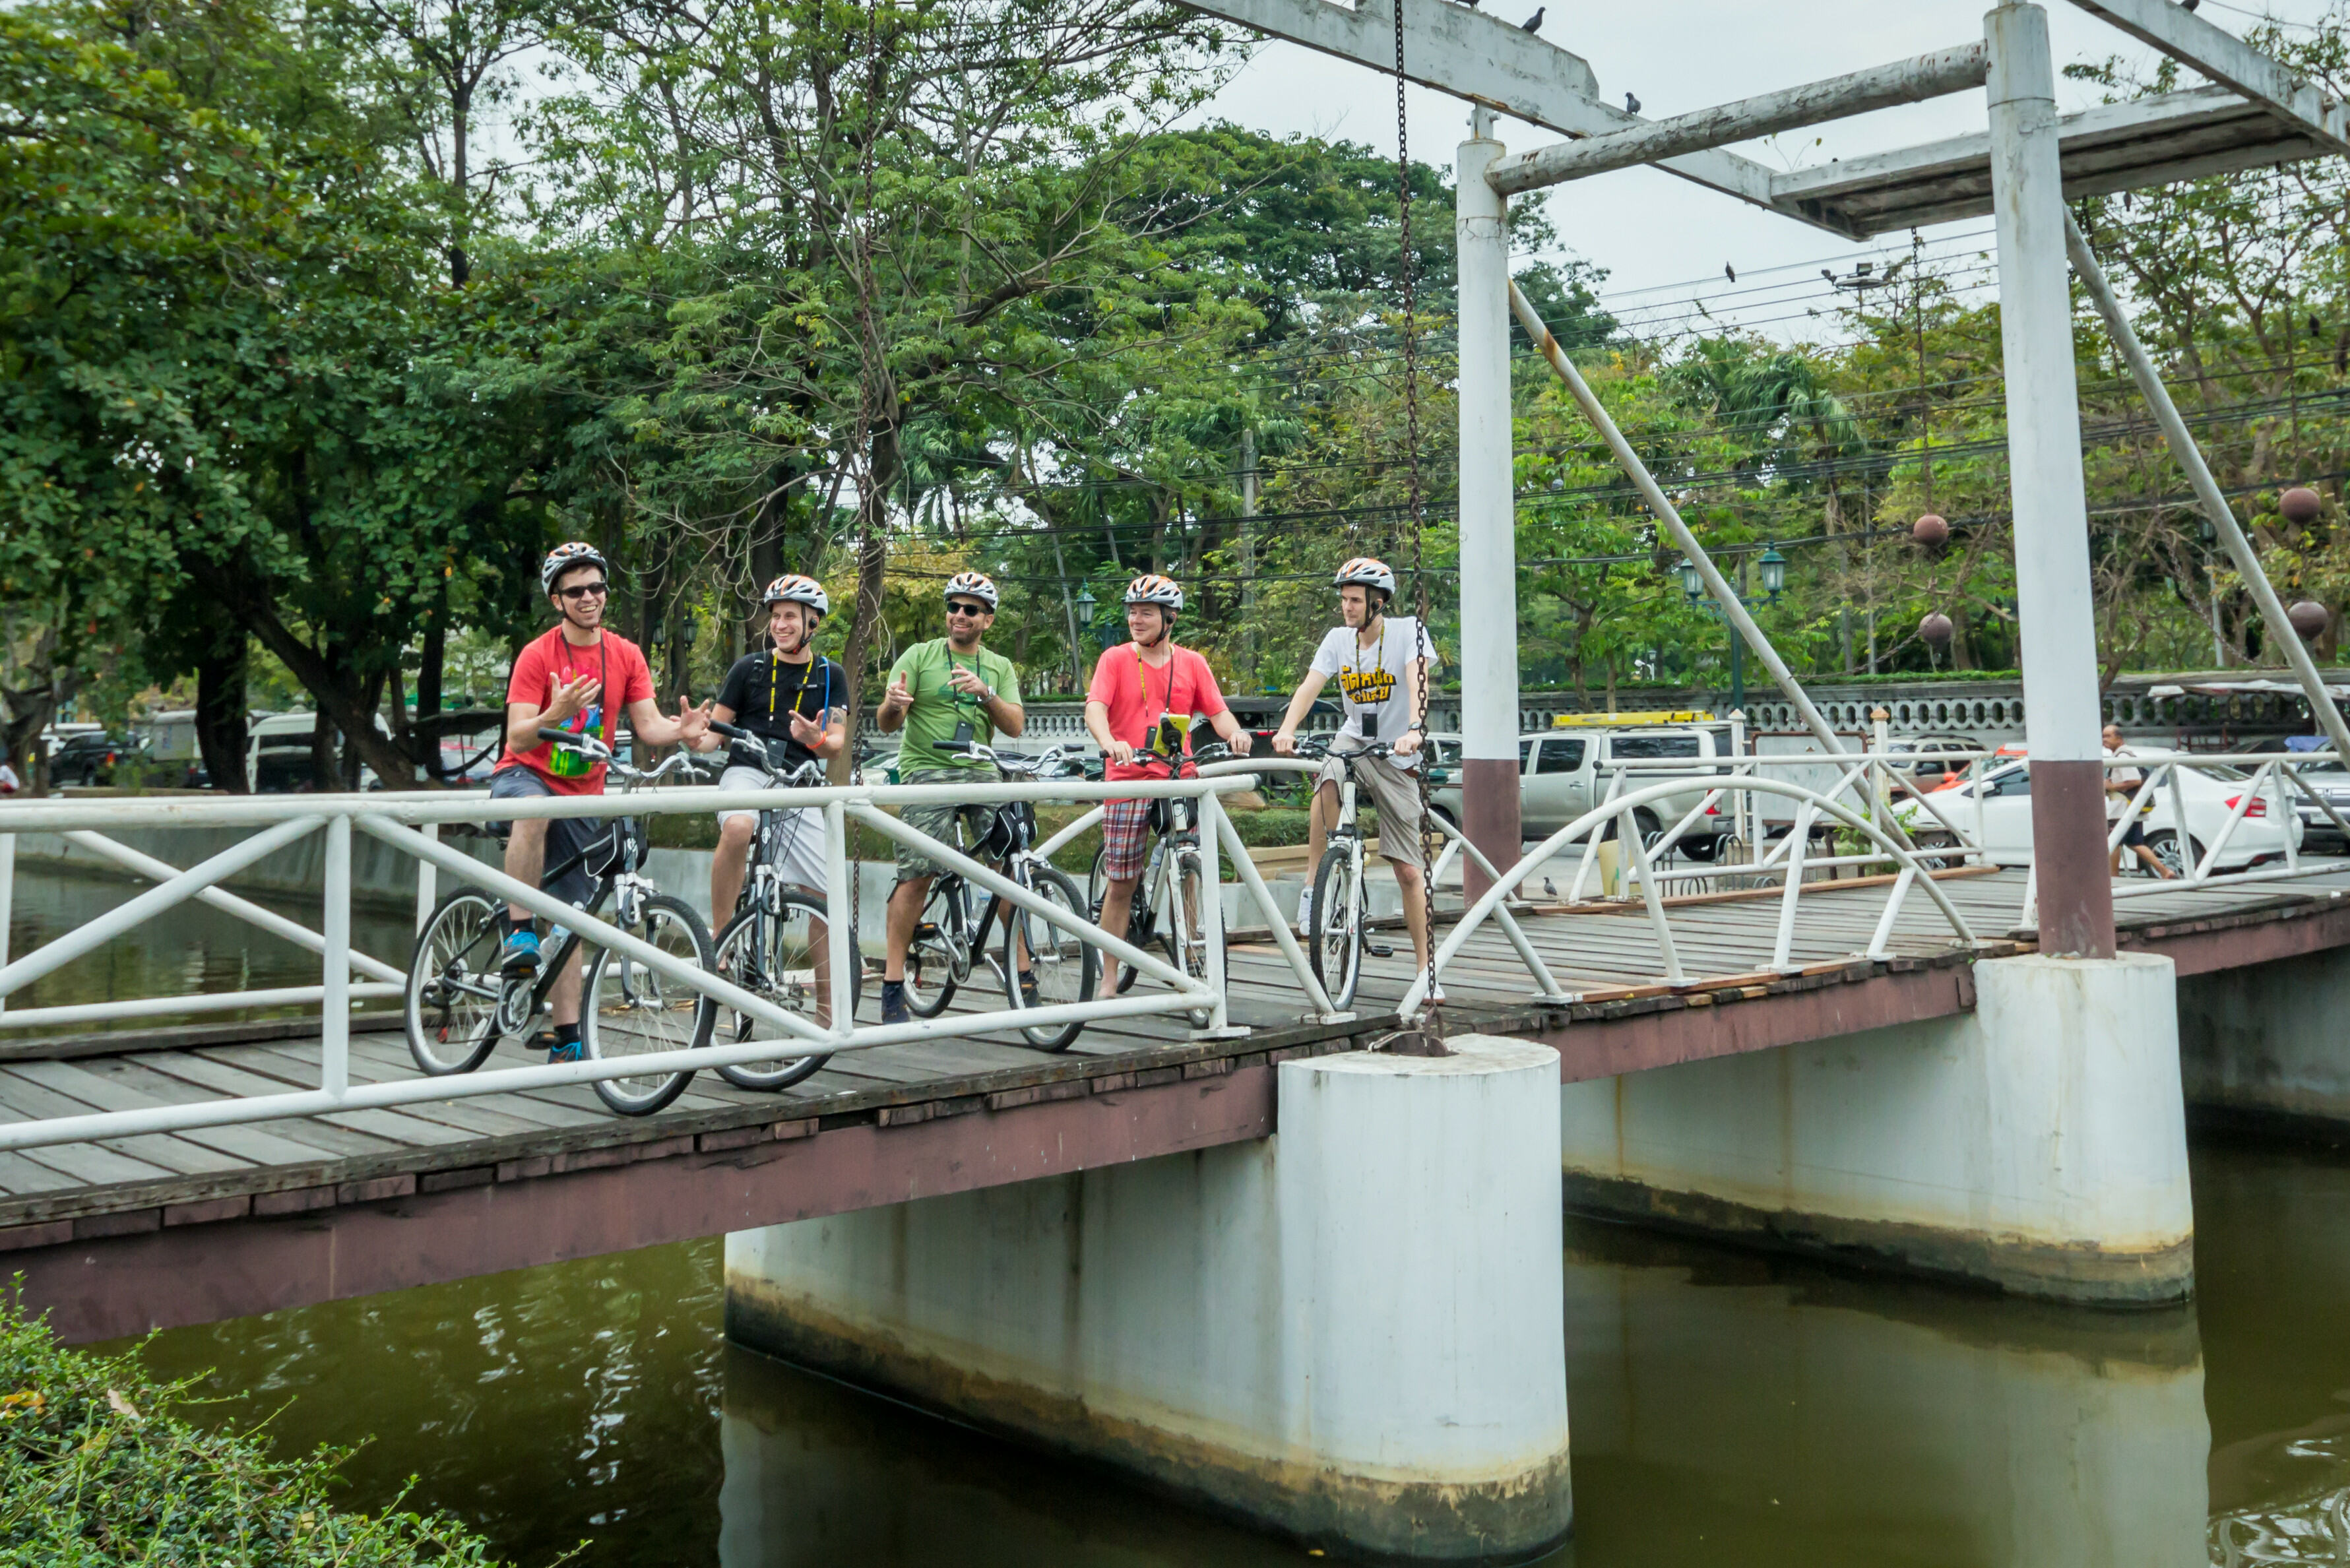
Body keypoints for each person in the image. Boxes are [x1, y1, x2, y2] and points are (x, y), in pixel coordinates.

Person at [491, 542, 711, 1061]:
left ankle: (567, 1039)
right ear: (556, 600)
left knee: (573, 919)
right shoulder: (537, 654)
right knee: (534, 810)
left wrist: (682, 730)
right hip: (525, 776)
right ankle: (519, 929)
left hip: (584, 793)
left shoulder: (625, 654)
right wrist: (558, 710)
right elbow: (518, 738)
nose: (589, 597)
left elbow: (648, 725)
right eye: (576, 590)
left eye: (596, 587)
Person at [1270, 556, 1442, 993]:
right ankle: (1316, 883)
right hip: (1354, 742)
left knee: (1408, 871)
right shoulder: (1337, 639)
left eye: (1354, 600)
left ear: (1378, 601)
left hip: (1397, 755)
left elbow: (1416, 679)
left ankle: (1426, 973)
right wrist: (1287, 729)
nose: (1346, 607)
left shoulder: (1408, 632)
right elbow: (1310, 686)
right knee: (1327, 767)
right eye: (1343, 599)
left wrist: (1415, 730)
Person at [689, 575, 849, 1019]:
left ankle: (828, 1014)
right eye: (775, 615)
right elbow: (712, 737)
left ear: (812, 622)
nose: (780, 624)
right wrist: (691, 734)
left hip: (798, 782)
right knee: (739, 825)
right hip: (746, 771)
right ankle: (721, 938)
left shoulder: (830, 676)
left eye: (790, 617)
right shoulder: (749, 669)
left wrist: (817, 738)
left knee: (824, 894)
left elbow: (836, 741)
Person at [1083, 575, 1251, 994]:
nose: (1135, 620)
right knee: (1122, 881)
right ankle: (1108, 975)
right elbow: (1095, 710)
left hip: (1179, 778)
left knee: (1190, 871)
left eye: (1146, 613)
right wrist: (1109, 743)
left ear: (1169, 618)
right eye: (1132, 611)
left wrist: (1236, 734)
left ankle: (1192, 962)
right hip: (1127, 781)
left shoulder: (1192, 662)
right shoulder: (1116, 659)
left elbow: (1218, 712)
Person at [875, 571, 1025, 1025]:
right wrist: (896, 704)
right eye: (954, 607)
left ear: (988, 621)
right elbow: (885, 723)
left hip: (980, 771)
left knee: (1008, 865)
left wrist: (987, 694)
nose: (960, 615)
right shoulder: (920, 655)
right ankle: (893, 980)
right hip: (927, 771)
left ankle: (1023, 966)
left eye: (971, 609)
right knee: (918, 873)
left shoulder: (998, 665)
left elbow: (1016, 726)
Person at [2104, 722, 2176, 879]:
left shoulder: (2122, 757)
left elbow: (2135, 780)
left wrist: (2111, 785)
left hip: (2121, 809)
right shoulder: (2123, 755)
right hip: (2131, 808)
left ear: (2119, 738)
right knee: (2135, 842)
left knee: (2113, 842)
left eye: (2108, 736)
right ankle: (2164, 871)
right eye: (2103, 736)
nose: (2104, 740)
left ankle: (2114, 879)